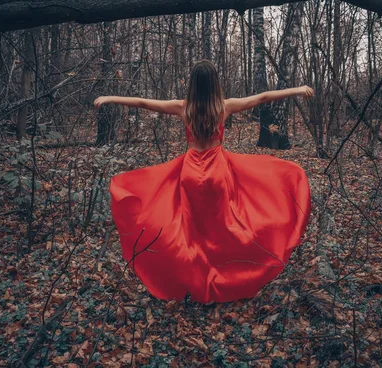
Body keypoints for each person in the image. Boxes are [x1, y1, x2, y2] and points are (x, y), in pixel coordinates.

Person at [93, 60, 313, 304]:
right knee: (220, 227)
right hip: (217, 173)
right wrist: (297, 89)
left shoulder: (183, 107)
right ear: (214, 84)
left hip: (189, 172)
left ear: (193, 85)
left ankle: (194, 275)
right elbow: (263, 97)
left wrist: (110, 97)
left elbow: (144, 103)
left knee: (191, 231)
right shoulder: (224, 107)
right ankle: (224, 274)